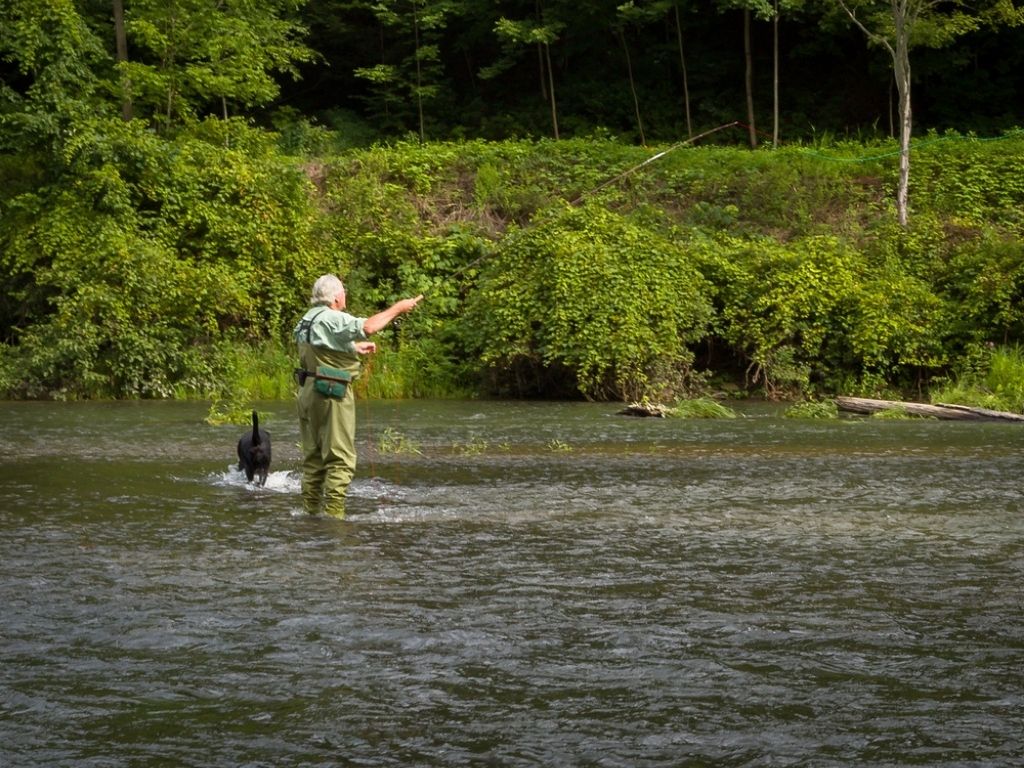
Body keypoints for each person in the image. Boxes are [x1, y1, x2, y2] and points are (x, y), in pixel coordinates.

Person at [293, 274, 423, 518]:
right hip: (331, 392)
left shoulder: (306, 319)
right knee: (340, 458)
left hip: (307, 391)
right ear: (335, 298)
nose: (345, 296)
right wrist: (399, 308)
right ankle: (334, 517)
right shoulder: (333, 317)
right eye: (343, 292)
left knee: (313, 457)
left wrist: (353, 348)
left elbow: (321, 346)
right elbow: (369, 327)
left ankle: (309, 514)